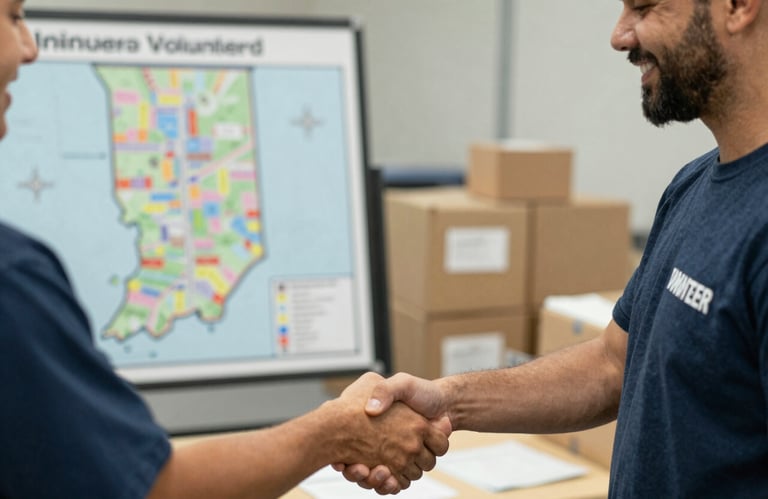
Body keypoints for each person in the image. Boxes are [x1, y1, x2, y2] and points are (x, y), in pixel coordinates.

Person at [0, 1, 450, 498]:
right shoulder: (10, 278)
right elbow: (155, 491)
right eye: (13, 17)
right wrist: (337, 430)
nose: (30, 48)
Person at [338, 0, 768, 496]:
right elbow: (615, 365)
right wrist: (449, 401)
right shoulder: (694, 184)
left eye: (646, 8)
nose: (620, 36)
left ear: (737, 7)